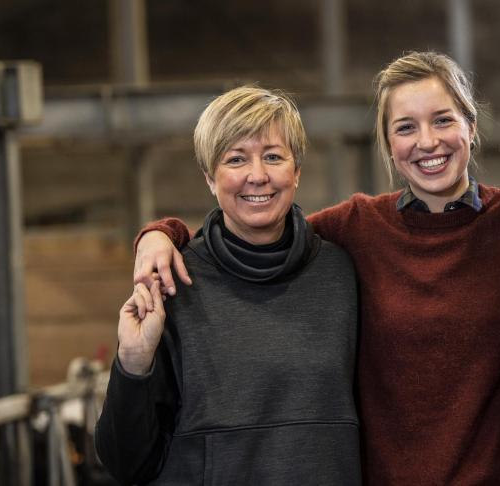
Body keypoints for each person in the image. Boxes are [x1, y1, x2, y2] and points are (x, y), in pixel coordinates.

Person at [132, 52, 500, 484]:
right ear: (387, 144)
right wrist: (163, 235)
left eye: (443, 120)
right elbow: (258, 227)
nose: (426, 141)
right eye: (405, 127)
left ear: (470, 128)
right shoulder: (359, 227)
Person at [94, 86, 362, 485]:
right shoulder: (174, 281)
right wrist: (133, 363)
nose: (257, 175)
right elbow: (126, 463)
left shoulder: (342, 274)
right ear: (209, 178)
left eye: (273, 156)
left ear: (297, 171)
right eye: (236, 159)